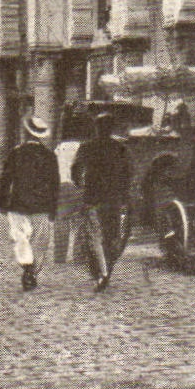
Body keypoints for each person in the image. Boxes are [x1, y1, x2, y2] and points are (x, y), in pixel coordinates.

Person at [0, 115, 59, 291]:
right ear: (40, 135)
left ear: (26, 133)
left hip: (18, 203)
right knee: (40, 241)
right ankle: (32, 272)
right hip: (42, 204)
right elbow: (55, 184)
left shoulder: (16, 153)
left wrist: (2, 201)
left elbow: (5, 180)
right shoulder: (49, 155)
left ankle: (26, 267)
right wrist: (54, 208)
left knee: (20, 238)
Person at [71, 114, 131, 291]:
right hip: (113, 198)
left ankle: (101, 273)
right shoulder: (120, 148)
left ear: (96, 128)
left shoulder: (87, 147)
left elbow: (75, 170)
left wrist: (80, 184)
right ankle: (107, 271)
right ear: (111, 129)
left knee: (95, 236)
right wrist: (124, 193)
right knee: (111, 235)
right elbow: (128, 173)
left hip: (93, 197)